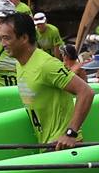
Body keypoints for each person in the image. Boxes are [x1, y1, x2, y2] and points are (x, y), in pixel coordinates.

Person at [10, 12, 92, 150]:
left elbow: (86, 92)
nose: (2, 43)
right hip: (46, 144)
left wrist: (71, 133)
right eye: (0, 38)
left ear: (24, 38)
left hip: (62, 145)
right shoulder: (19, 63)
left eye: (6, 38)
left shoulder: (46, 64)